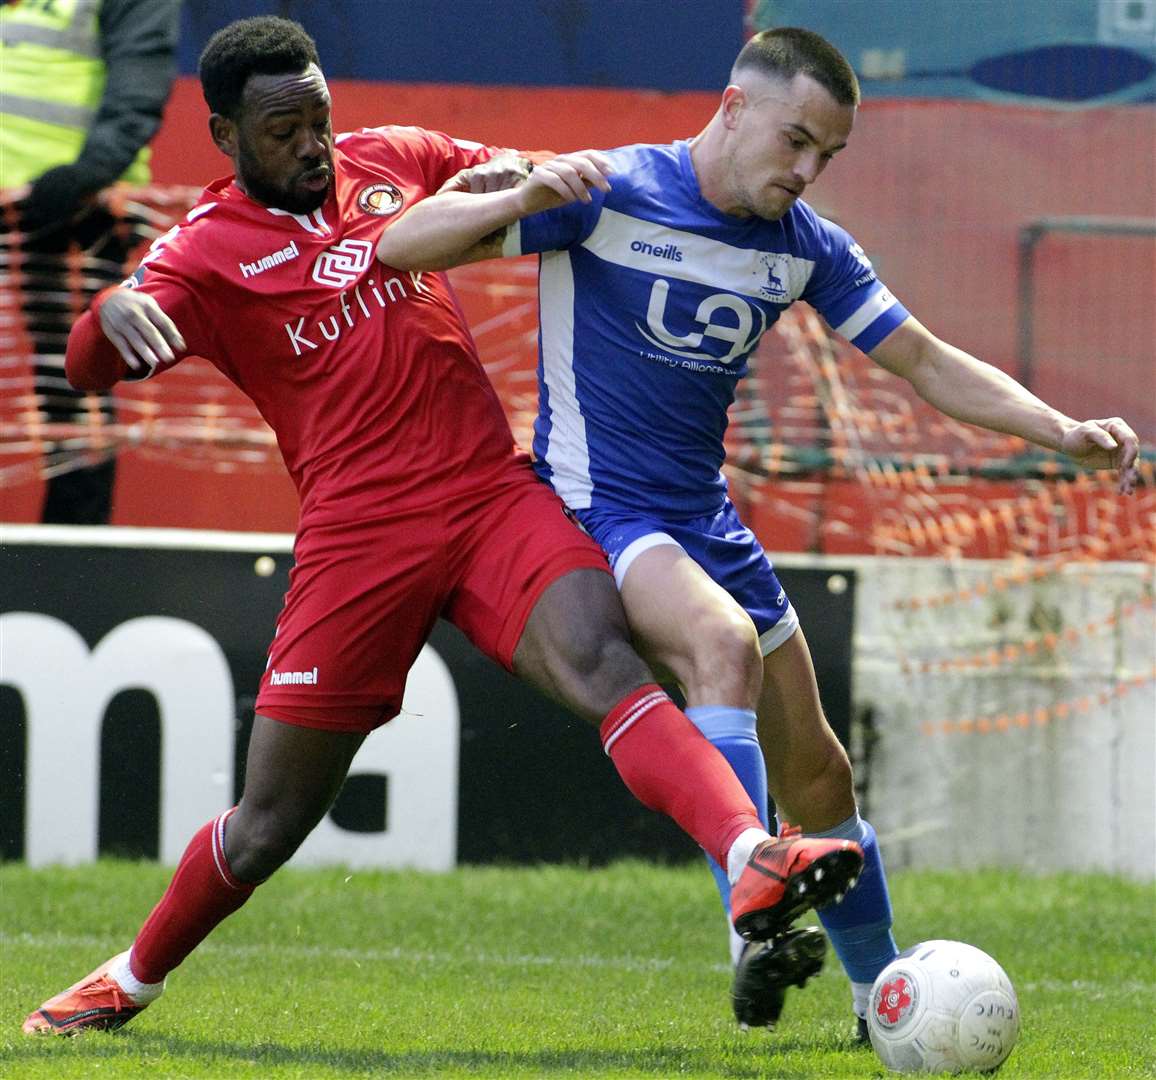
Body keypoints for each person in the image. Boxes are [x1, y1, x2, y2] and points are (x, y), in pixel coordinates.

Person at [21, 17, 867, 1037]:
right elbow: (82, 366)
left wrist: (527, 178)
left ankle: (751, 857)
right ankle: (133, 976)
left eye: (319, 121)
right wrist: (107, 314)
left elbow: (516, 179)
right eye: (282, 130)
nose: (312, 148)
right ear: (226, 135)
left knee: (606, 660)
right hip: (360, 539)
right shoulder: (202, 255)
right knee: (267, 825)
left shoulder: (391, 159)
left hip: (486, 497)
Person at [373, 26, 1142, 1038]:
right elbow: (397, 249)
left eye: (828, 154)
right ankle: (754, 922)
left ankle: (879, 1005)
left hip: (704, 520)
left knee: (819, 774)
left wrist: (1057, 429)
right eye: (796, 141)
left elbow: (922, 360)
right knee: (718, 644)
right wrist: (515, 196)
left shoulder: (802, 248)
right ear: (734, 109)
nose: (808, 170)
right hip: (601, 511)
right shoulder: (609, 193)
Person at [0, 0, 182, 524]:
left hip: (74, 213)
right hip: (40, 206)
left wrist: (85, 174)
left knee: (74, 391)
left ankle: (73, 551)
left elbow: (138, 83)